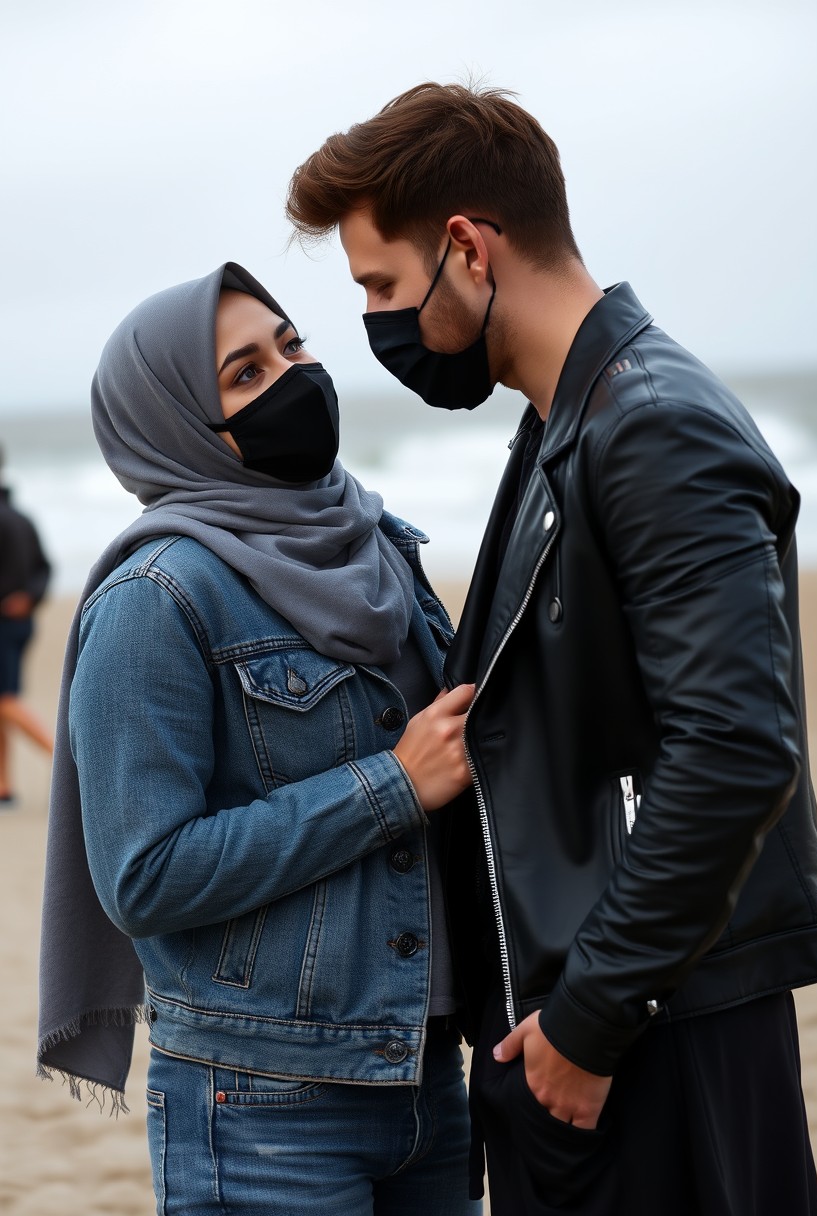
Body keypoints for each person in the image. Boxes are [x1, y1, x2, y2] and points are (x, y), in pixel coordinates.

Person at [285, 83, 817, 1215]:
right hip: (593, 1021)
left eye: (381, 287)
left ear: (467, 247)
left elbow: (736, 747)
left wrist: (587, 1020)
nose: (378, 324)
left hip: (645, 1032)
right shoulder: (562, 416)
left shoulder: (652, 424)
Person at [37, 261, 482, 1215]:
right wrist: (389, 786)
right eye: (244, 374)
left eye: (290, 344)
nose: (292, 377)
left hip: (426, 1074)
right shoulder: (155, 601)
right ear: (178, 426)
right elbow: (144, 874)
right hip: (261, 1102)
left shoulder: (375, 544)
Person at [0, 449, 53, 805]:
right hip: (21, 623)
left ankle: (77, 766)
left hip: (5, 625)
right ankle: (4, 787)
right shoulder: (21, 517)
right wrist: (28, 599)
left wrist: (21, 599)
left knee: (5, 701)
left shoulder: (13, 518)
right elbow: (45, 569)